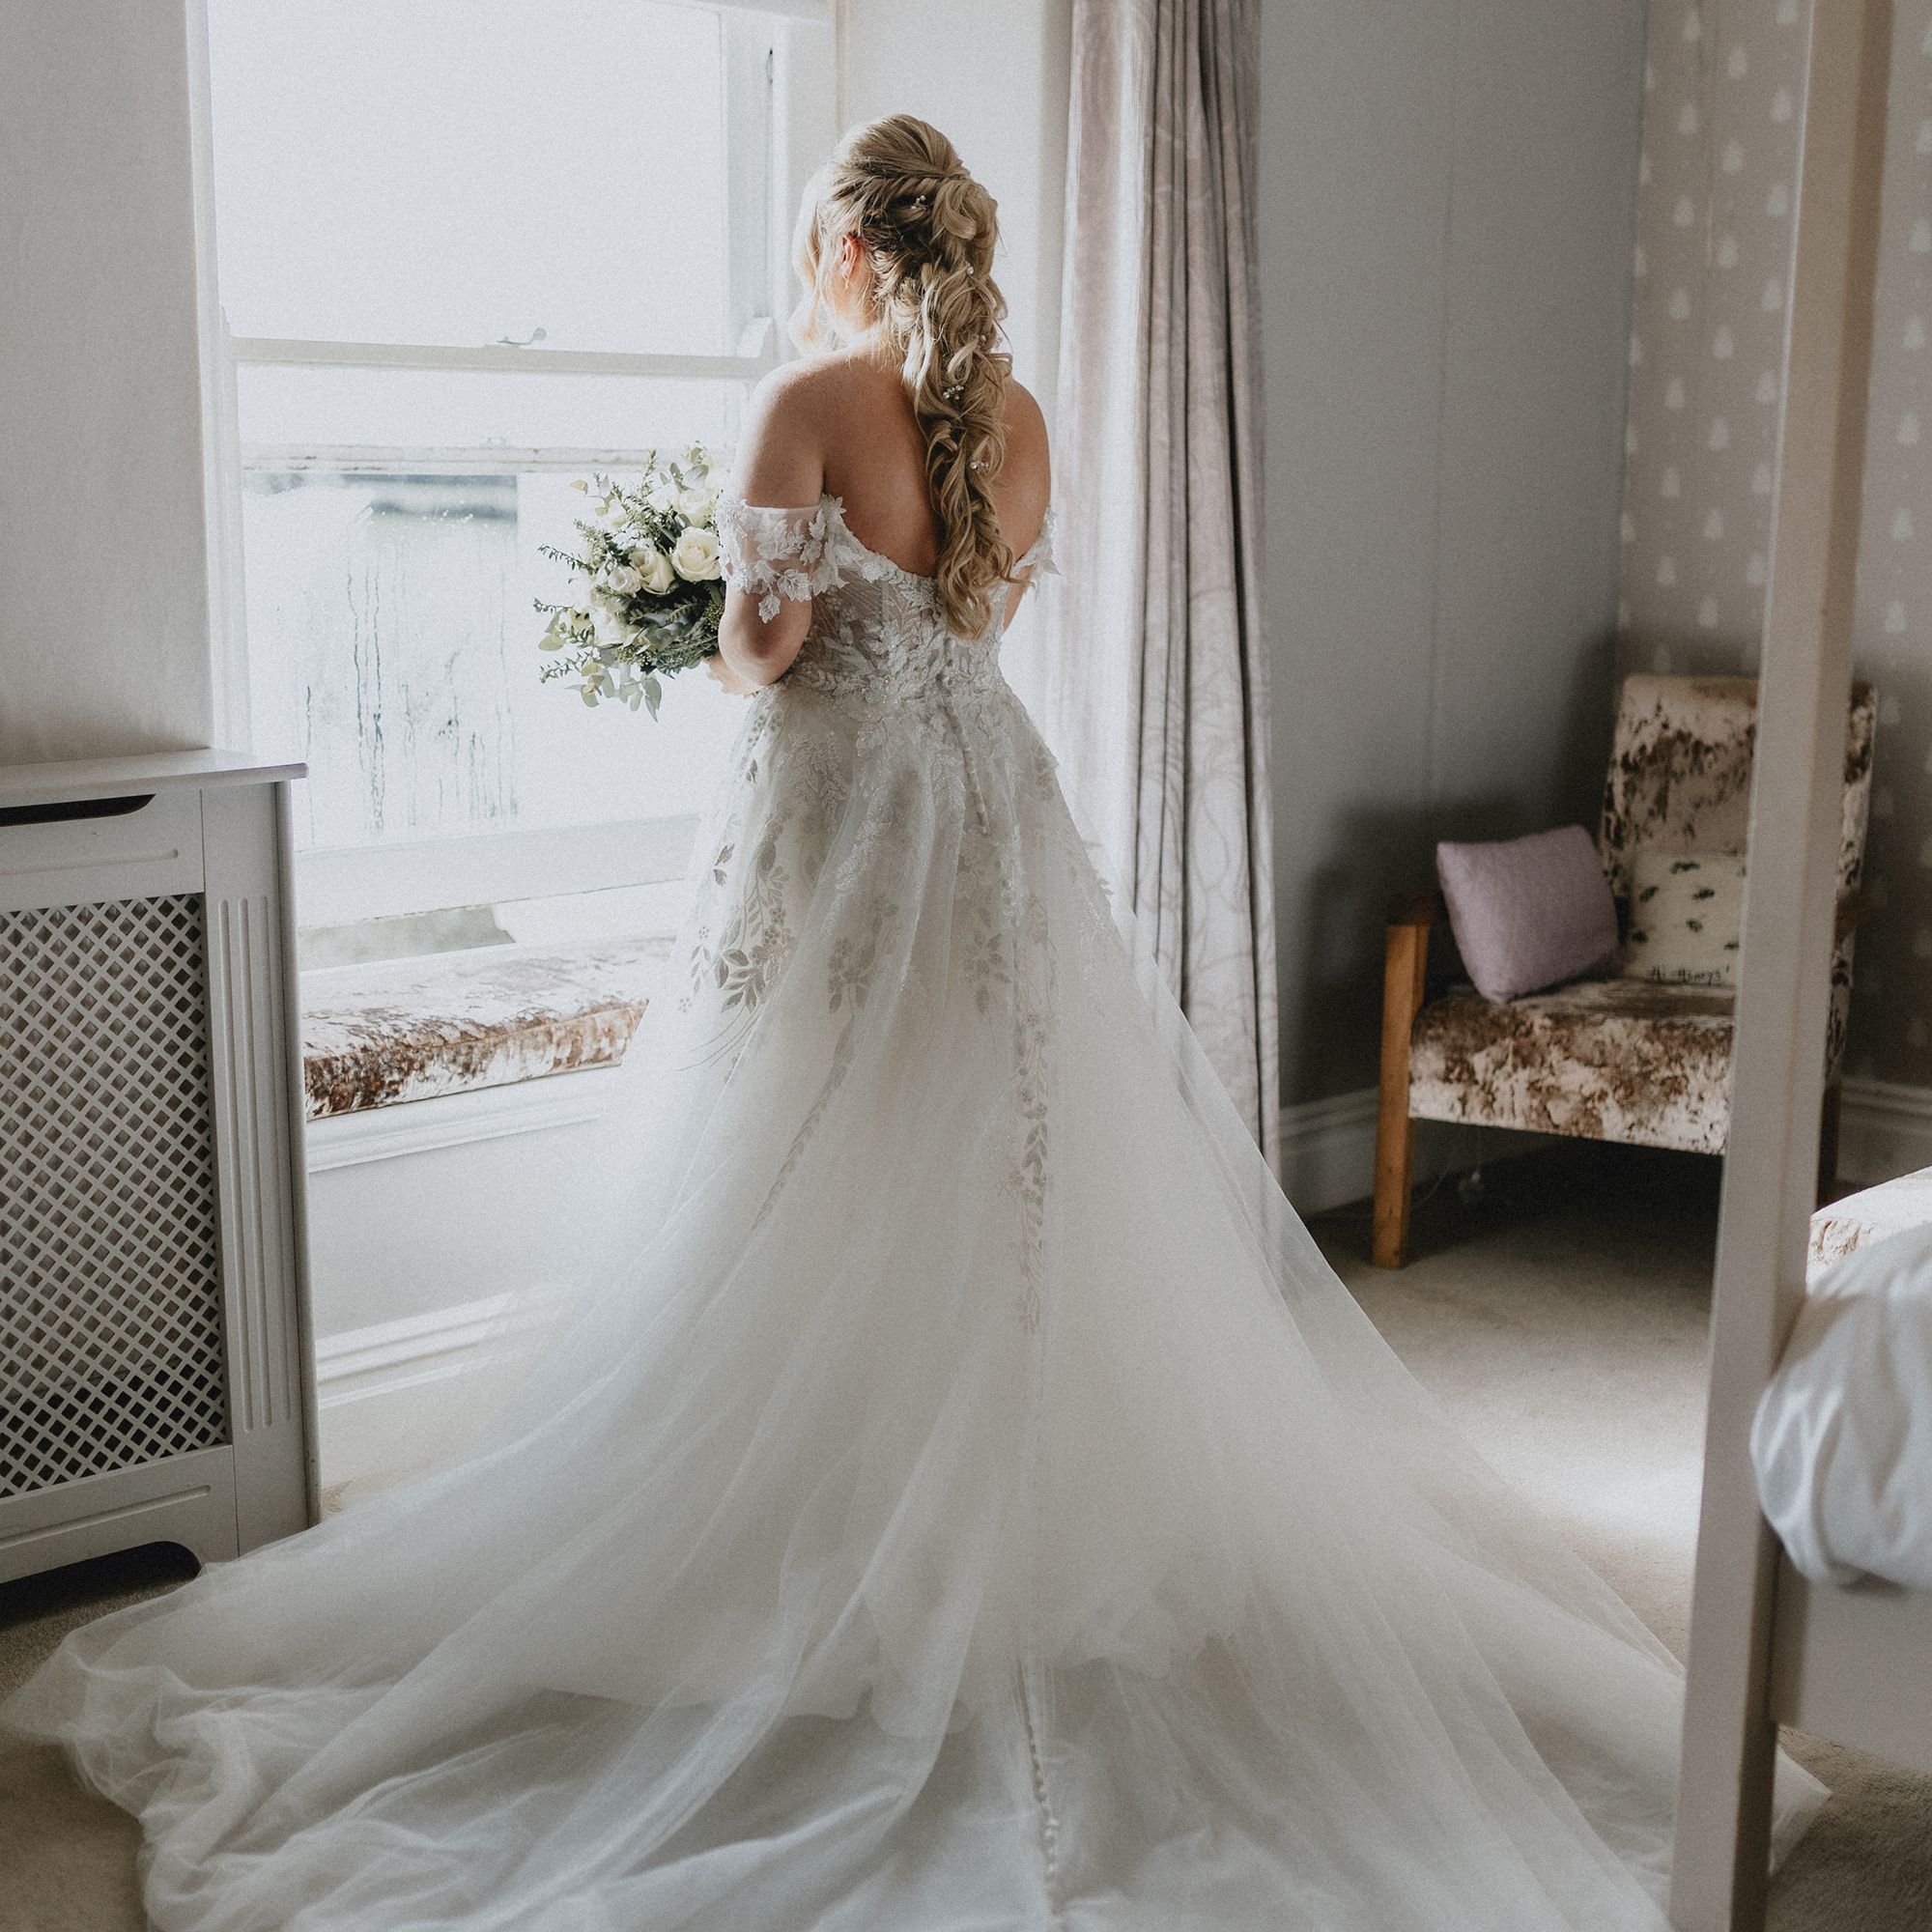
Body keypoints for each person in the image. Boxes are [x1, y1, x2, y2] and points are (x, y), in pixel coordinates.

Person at [3, 113, 1823, 1930]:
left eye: (819, 240)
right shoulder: (1020, 424)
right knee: (992, 1146)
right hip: (989, 811)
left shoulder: (804, 398)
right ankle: (995, 1506)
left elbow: (772, 652)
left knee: (801, 1143)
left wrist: (701, 622)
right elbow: (972, 619)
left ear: (850, 247)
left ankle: (815, 1510)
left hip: (844, 811)